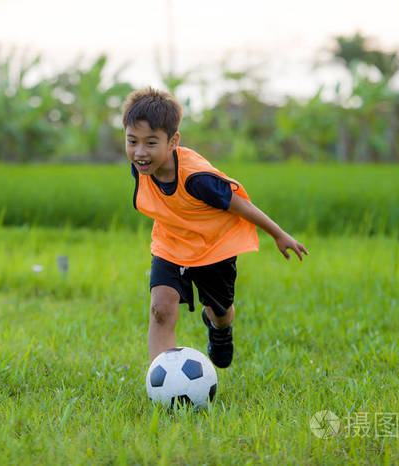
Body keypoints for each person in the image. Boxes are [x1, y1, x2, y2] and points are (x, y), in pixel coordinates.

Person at [122, 87, 309, 368]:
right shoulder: (141, 166)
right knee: (160, 310)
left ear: (173, 141)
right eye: (132, 141)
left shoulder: (198, 179)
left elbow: (241, 205)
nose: (139, 152)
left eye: (150, 143)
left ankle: (219, 327)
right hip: (170, 243)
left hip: (213, 247)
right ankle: (161, 381)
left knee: (220, 311)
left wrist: (278, 234)